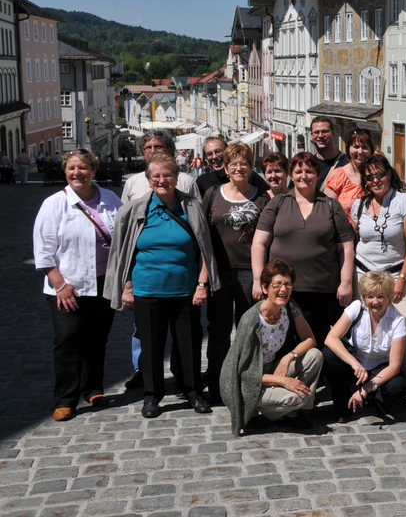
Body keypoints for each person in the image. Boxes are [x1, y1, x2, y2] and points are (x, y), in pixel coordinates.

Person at [104, 153, 219, 418]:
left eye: (167, 174)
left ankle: (192, 392)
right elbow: (125, 253)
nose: (162, 180)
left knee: (188, 345)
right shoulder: (135, 210)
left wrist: (202, 283)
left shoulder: (191, 206)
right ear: (149, 180)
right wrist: (128, 286)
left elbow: (204, 249)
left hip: (185, 290)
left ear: (177, 178)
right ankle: (152, 396)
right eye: (156, 176)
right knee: (152, 345)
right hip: (147, 290)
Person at [33, 149, 123, 421]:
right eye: (71, 168)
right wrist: (60, 285)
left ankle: (93, 387)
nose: (77, 173)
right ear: (65, 171)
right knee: (67, 341)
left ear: (93, 170)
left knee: (97, 338)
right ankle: (66, 399)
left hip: (103, 283)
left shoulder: (110, 199)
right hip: (67, 286)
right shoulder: (53, 204)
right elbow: (43, 250)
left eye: (83, 168)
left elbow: (123, 239)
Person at [252, 152, 356, 347]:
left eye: (309, 171)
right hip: (281, 289)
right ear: (291, 175)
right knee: (280, 342)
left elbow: (346, 248)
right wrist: (258, 280)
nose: (304, 176)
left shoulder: (332, 206)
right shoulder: (278, 203)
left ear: (318, 174)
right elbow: (259, 243)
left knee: (315, 342)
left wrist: (346, 282)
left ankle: (312, 377)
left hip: (321, 289)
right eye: (298, 171)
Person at [201, 142, 271, 405]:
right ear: (226, 168)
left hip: (249, 273)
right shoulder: (212, 194)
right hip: (219, 272)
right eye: (233, 164)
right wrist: (203, 277)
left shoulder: (262, 196)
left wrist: (261, 277)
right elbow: (203, 237)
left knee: (248, 331)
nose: (238, 167)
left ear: (251, 167)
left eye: (244, 163)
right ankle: (218, 387)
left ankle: (246, 384)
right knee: (218, 331)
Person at [221, 258, 322, 434]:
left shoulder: (289, 307)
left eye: (288, 284)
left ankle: (282, 407)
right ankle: (270, 411)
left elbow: (310, 340)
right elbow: (243, 374)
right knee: (300, 397)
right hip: (249, 382)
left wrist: (287, 358)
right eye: (277, 284)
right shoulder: (251, 321)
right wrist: (283, 381)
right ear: (264, 287)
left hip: (272, 369)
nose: (283, 289)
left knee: (315, 355)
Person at [350, 153, 406, 386]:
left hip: (395, 275)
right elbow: (349, 240)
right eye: (369, 176)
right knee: (362, 329)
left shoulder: (404, 201)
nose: (375, 180)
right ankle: (364, 379)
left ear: (389, 174)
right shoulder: (359, 204)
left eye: (380, 174)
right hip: (363, 276)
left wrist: (403, 278)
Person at [323, 270, 406, 422]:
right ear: (364, 297)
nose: (375, 302)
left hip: (380, 368)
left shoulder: (397, 320)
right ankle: (343, 407)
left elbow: (394, 367)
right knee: (328, 355)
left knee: (398, 385)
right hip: (356, 365)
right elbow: (331, 338)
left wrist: (366, 388)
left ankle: (378, 400)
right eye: (370, 296)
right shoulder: (357, 307)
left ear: (388, 296)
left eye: (380, 296)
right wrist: (354, 363)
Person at [122, 130, 200, 202]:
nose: (152, 151)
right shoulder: (132, 183)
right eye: (148, 147)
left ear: (169, 151)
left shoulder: (186, 182)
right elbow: (124, 214)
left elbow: (196, 213)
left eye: (158, 147)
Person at [324, 128, 374, 217]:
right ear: (348, 148)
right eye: (356, 147)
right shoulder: (338, 176)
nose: (360, 151)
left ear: (371, 150)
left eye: (365, 147)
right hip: (345, 229)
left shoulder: (377, 176)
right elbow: (326, 210)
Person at [196, 137, 270, 196]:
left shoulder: (248, 176)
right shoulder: (202, 182)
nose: (214, 157)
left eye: (218, 151)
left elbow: (269, 196)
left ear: (227, 151)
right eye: (209, 154)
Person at [310, 116, 349, 191]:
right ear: (312, 136)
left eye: (324, 131)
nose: (320, 135)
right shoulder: (308, 164)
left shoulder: (347, 163)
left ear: (333, 133)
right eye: (316, 132)